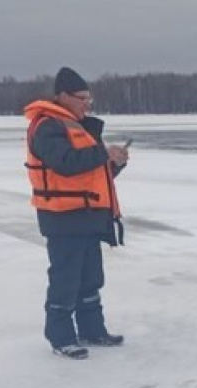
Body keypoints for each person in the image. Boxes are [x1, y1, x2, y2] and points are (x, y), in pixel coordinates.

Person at [23, 67, 130, 360]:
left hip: (87, 216)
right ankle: (61, 337)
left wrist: (115, 164)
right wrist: (103, 154)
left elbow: (91, 174)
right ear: (63, 96)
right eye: (82, 98)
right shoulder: (47, 126)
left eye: (89, 99)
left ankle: (92, 330)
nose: (87, 104)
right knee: (65, 280)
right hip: (63, 218)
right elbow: (65, 163)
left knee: (90, 279)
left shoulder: (78, 127)